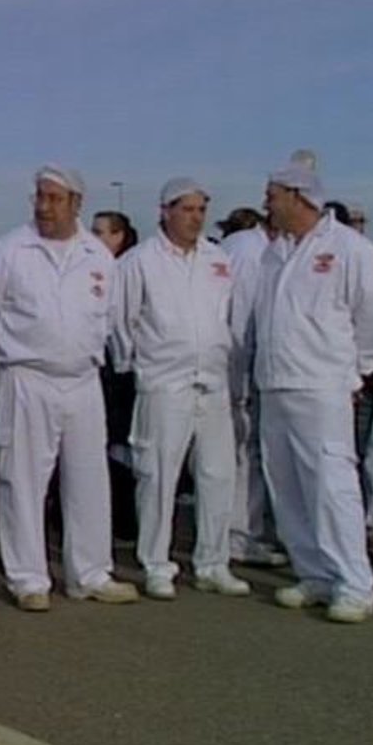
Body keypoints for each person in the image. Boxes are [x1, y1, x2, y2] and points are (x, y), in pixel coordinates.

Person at [0, 165, 138, 611]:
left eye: (54, 199)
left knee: (88, 479)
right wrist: (16, 350)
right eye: (39, 197)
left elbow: (110, 316)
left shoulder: (97, 255)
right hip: (27, 377)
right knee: (22, 480)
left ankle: (90, 573)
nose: (44, 207)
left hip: (82, 380)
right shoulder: (9, 250)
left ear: (76, 203)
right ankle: (28, 579)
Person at [253, 162, 373, 623]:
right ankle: (314, 574)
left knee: (331, 486)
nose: (266, 203)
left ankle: (356, 584)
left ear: (297, 195)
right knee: (286, 487)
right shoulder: (276, 251)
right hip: (276, 384)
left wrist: (355, 372)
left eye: (272, 195)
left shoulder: (349, 248)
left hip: (322, 386)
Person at [111, 178, 250, 600]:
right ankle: (156, 563)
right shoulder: (140, 261)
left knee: (218, 475)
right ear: (165, 211)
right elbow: (120, 320)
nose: (195, 218)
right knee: (157, 476)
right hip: (164, 383)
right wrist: (136, 366)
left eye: (201, 210)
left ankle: (213, 562)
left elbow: (231, 317)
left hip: (213, 383)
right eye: (187, 209)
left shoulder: (217, 259)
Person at [222, 212, 288, 567]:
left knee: (242, 454)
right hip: (240, 369)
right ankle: (239, 534)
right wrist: (242, 376)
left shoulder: (247, 246)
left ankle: (240, 531)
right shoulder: (252, 251)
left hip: (243, 367)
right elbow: (240, 318)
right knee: (244, 454)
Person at [90, 211, 139, 541]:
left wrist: (123, 364)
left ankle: (123, 517)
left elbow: (123, 322)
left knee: (119, 443)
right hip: (104, 364)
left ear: (118, 236)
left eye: (100, 232)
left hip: (119, 367)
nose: (93, 238)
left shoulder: (122, 271)